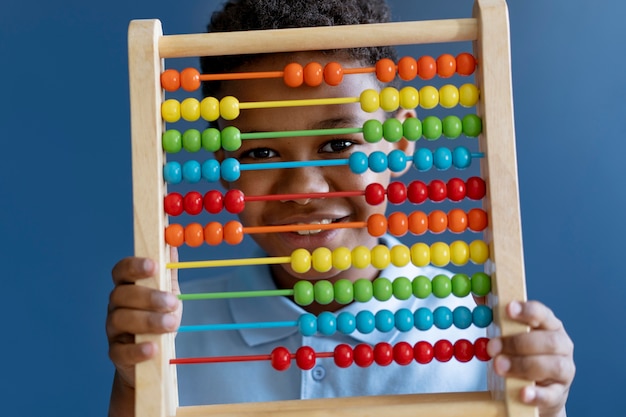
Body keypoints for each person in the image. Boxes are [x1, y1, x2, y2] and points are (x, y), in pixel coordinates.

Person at [107, 1, 575, 416]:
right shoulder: (173, 333)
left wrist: (545, 408)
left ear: (402, 141)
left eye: (339, 143)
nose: (304, 190)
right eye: (260, 153)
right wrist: (134, 386)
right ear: (223, 162)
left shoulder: (480, 330)